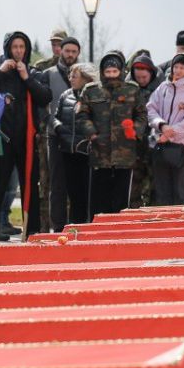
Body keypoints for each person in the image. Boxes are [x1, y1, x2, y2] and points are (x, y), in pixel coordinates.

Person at [0, 30, 51, 238]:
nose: (19, 51)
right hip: (3, 138)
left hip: (28, 138)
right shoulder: (0, 73)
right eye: (15, 47)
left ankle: (31, 229)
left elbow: (45, 97)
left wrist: (26, 77)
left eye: (22, 47)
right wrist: (0, 72)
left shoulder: (34, 72)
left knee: (30, 183)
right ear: (8, 49)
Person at [77, 51, 148, 217]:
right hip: (99, 153)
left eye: (114, 72)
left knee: (121, 200)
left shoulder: (132, 90)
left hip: (124, 153)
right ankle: (95, 235)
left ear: (121, 71)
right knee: (98, 200)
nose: (111, 76)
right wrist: (91, 134)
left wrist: (135, 131)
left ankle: (118, 234)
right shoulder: (91, 90)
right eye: (108, 72)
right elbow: (81, 114)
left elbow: (142, 114)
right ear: (102, 72)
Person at [146, 52, 184, 205]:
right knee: (162, 192)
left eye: (182, 67)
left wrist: (171, 133)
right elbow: (151, 108)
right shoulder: (163, 87)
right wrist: (161, 125)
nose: (177, 71)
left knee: (180, 193)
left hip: (181, 148)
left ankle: (182, 226)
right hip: (160, 145)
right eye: (175, 67)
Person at [37, 36, 82, 231]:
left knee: (77, 184)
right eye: (67, 51)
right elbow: (41, 107)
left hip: (78, 138)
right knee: (56, 184)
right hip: (54, 136)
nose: (70, 54)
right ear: (60, 52)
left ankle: (78, 226)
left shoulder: (85, 75)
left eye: (74, 51)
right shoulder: (47, 74)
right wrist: (53, 125)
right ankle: (57, 228)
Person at [50, 63, 94, 226]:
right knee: (73, 194)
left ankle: (89, 227)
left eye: (74, 76)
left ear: (84, 78)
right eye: (70, 76)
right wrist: (58, 127)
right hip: (68, 151)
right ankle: (75, 226)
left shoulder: (93, 95)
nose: (70, 79)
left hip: (87, 152)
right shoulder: (65, 95)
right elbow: (54, 116)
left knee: (87, 193)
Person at [126, 49, 162, 208]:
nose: (141, 80)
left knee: (155, 184)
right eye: (138, 77)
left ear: (151, 74)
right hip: (134, 143)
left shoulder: (161, 90)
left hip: (155, 143)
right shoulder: (127, 90)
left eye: (144, 77)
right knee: (134, 184)